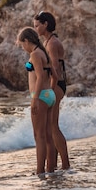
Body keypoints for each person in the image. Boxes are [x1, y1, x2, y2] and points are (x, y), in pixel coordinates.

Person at [16, 27, 57, 176]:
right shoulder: (43, 52)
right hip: (49, 95)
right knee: (48, 135)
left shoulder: (34, 54)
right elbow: (55, 76)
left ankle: (40, 171)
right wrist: (49, 92)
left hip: (40, 96)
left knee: (39, 136)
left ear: (27, 41)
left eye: (22, 44)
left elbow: (39, 77)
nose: (23, 47)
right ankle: (50, 170)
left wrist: (35, 98)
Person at [34, 11, 70, 171]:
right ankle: (53, 165)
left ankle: (66, 165)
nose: (35, 29)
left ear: (45, 24)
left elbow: (55, 69)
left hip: (56, 86)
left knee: (53, 126)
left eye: (37, 25)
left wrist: (50, 90)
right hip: (55, 85)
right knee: (50, 127)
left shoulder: (52, 44)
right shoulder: (48, 42)